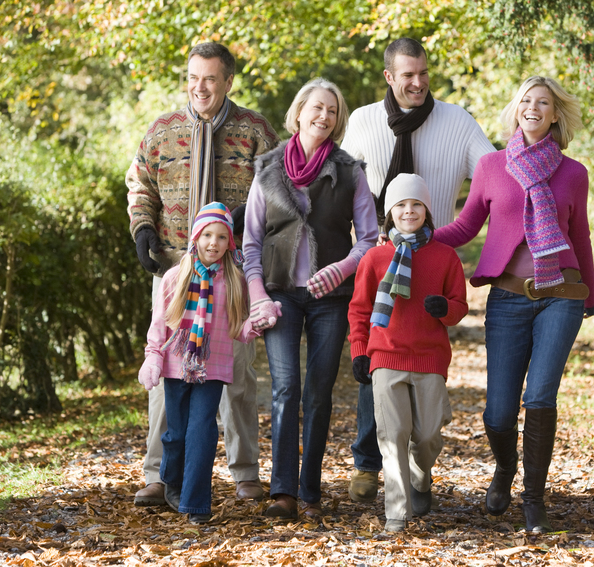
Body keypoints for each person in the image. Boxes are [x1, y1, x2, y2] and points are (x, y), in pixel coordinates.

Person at [433, 76, 594, 533]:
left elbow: (579, 234)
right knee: (499, 413)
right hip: (507, 299)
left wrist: (593, 290)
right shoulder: (490, 166)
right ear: (517, 109)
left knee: (541, 396)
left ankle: (533, 500)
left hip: (561, 296)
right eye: (526, 100)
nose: (533, 107)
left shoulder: (573, 172)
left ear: (554, 115)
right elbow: (466, 227)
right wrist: (423, 236)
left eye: (542, 102)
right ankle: (505, 467)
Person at [340, 37, 495, 503]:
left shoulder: (457, 121)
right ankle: (370, 465)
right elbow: (341, 183)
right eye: (408, 75)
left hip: (432, 257)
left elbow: (491, 177)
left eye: (423, 73)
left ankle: (415, 466)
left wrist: (458, 238)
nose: (418, 82)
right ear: (389, 76)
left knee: (423, 388)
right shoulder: (364, 121)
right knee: (377, 363)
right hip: (379, 257)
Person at [126, 41, 279, 506]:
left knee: (237, 372)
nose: (200, 87)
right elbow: (140, 184)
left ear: (228, 81)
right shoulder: (162, 131)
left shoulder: (254, 131)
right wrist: (143, 229)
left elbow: (277, 190)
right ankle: (158, 474)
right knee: (165, 374)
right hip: (175, 272)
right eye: (193, 78)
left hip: (232, 275)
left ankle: (244, 471)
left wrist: (243, 219)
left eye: (210, 78)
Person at [242, 77, 379, 519]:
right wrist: (258, 295)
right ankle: (282, 492)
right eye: (316, 107)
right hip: (280, 298)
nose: (324, 116)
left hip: (332, 299)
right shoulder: (266, 168)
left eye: (332, 111)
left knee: (319, 393)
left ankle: (310, 491)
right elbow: (250, 243)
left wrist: (340, 269)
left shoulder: (349, 171)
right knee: (285, 389)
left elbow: (370, 239)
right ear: (299, 111)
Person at [348, 173, 468, 532]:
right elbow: (359, 309)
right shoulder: (375, 258)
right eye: (400, 204)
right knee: (392, 435)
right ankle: (397, 515)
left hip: (430, 357)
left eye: (416, 204)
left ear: (427, 211)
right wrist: (359, 351)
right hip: (385, 356)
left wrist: (443, 308)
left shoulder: (445, 257)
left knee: (429, 434)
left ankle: (420, 473)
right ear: (390, 213)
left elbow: (460, 306)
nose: (409, 210)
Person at [137, 203, 261, 524]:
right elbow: (159, 324)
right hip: (177, 366)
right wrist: (153, 357)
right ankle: (171, 479)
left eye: (222, 237)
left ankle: (196, 504)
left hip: (214, 366)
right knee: (176, 433)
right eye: (207, 235)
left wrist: (255, 325)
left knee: (202, 430)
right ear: (196, 237)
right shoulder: (175, 277)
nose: (213, 243)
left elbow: (240, 326)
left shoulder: (234, 280)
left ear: (229, 243)